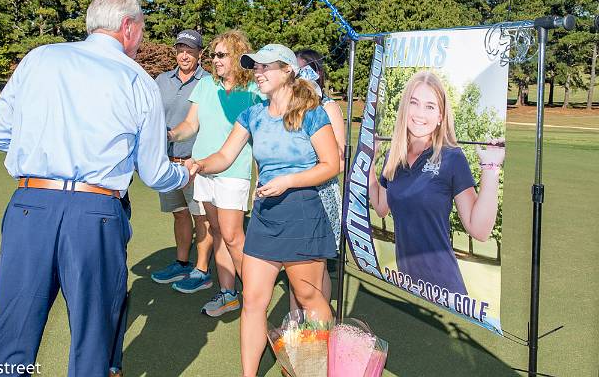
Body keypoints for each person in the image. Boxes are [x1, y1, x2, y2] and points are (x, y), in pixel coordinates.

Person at [0, 0, 190, 377]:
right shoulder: (137, 79)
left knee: (11, 330)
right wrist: (187, 171)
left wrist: (41, 151)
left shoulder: (40, 57)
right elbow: (156, 172)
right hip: (95, 211)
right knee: (94, 334)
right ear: (127, 27)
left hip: (30, 204)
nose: (141, 38)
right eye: (141, 29)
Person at [188, 44, 340, 376]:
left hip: (301, 212)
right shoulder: (253, 115)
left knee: (309, 298)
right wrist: (199, 163)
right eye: (255, 68)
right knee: (253, 302)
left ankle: (315, 369)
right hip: (264, 217)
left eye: (265, 67)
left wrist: (288, 181)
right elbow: (225, 157)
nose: (258, 73)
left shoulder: (312, 113)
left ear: (287, 70)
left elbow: (332, 164)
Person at [368, 70, 504, 296]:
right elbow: (381, 207)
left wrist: (491, 169)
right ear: (404, 108)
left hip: (444, 287)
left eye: (430, 106)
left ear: (441, 115)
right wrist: (370, 161)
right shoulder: (395, 154)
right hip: (407, 284)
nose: (420, 113)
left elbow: (479, 230)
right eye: (414, 103)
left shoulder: (452, 157)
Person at [169, 30, 263, 317]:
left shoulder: (254, 91)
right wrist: (170, 134)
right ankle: (228, 294)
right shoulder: (207, 85)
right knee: (217, 232)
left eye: (221, 55)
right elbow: (190, 125)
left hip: (233, 171)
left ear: (237, 56)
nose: (215, 60)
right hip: (202, 170)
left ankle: (256, 297)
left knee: (234, 236)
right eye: (213, 54)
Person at [150, 30, 213, 294]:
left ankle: (202, 271)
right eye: (180, 49)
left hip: (195, 162)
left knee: (202, 218)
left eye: (190, 50)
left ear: (200, 54)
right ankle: (181, 262)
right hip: (168, 162)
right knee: (180, 215)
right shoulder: (162, 80)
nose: (184, 55)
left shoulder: (209, 81)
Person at [288, 49, 345, 310]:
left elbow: (339, 160)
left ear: (316, 73)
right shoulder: (288, 108)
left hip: (321, 194)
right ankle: (296, 329)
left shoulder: (328, 107)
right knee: (294, 264)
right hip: (292, 194)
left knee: (318, 265)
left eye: (302, 70)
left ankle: (318, 327)